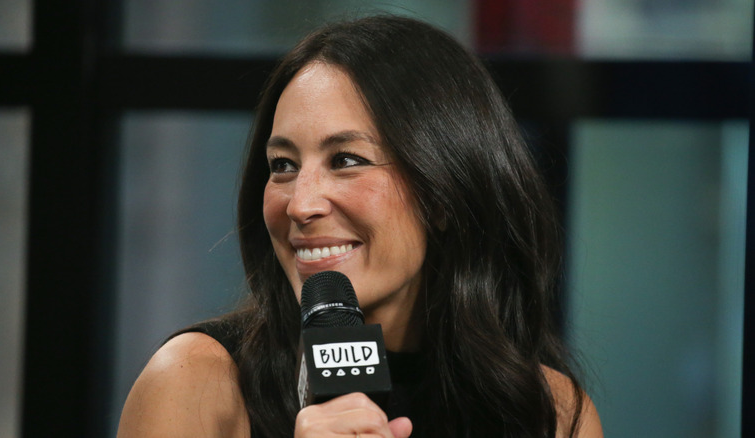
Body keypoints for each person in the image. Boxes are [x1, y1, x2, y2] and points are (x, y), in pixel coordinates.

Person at [117, 14, 603, 438]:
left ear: (443, 195)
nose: (300, 204)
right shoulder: (194, 383)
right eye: (283, 165)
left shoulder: (549, 411)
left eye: (346, 159)